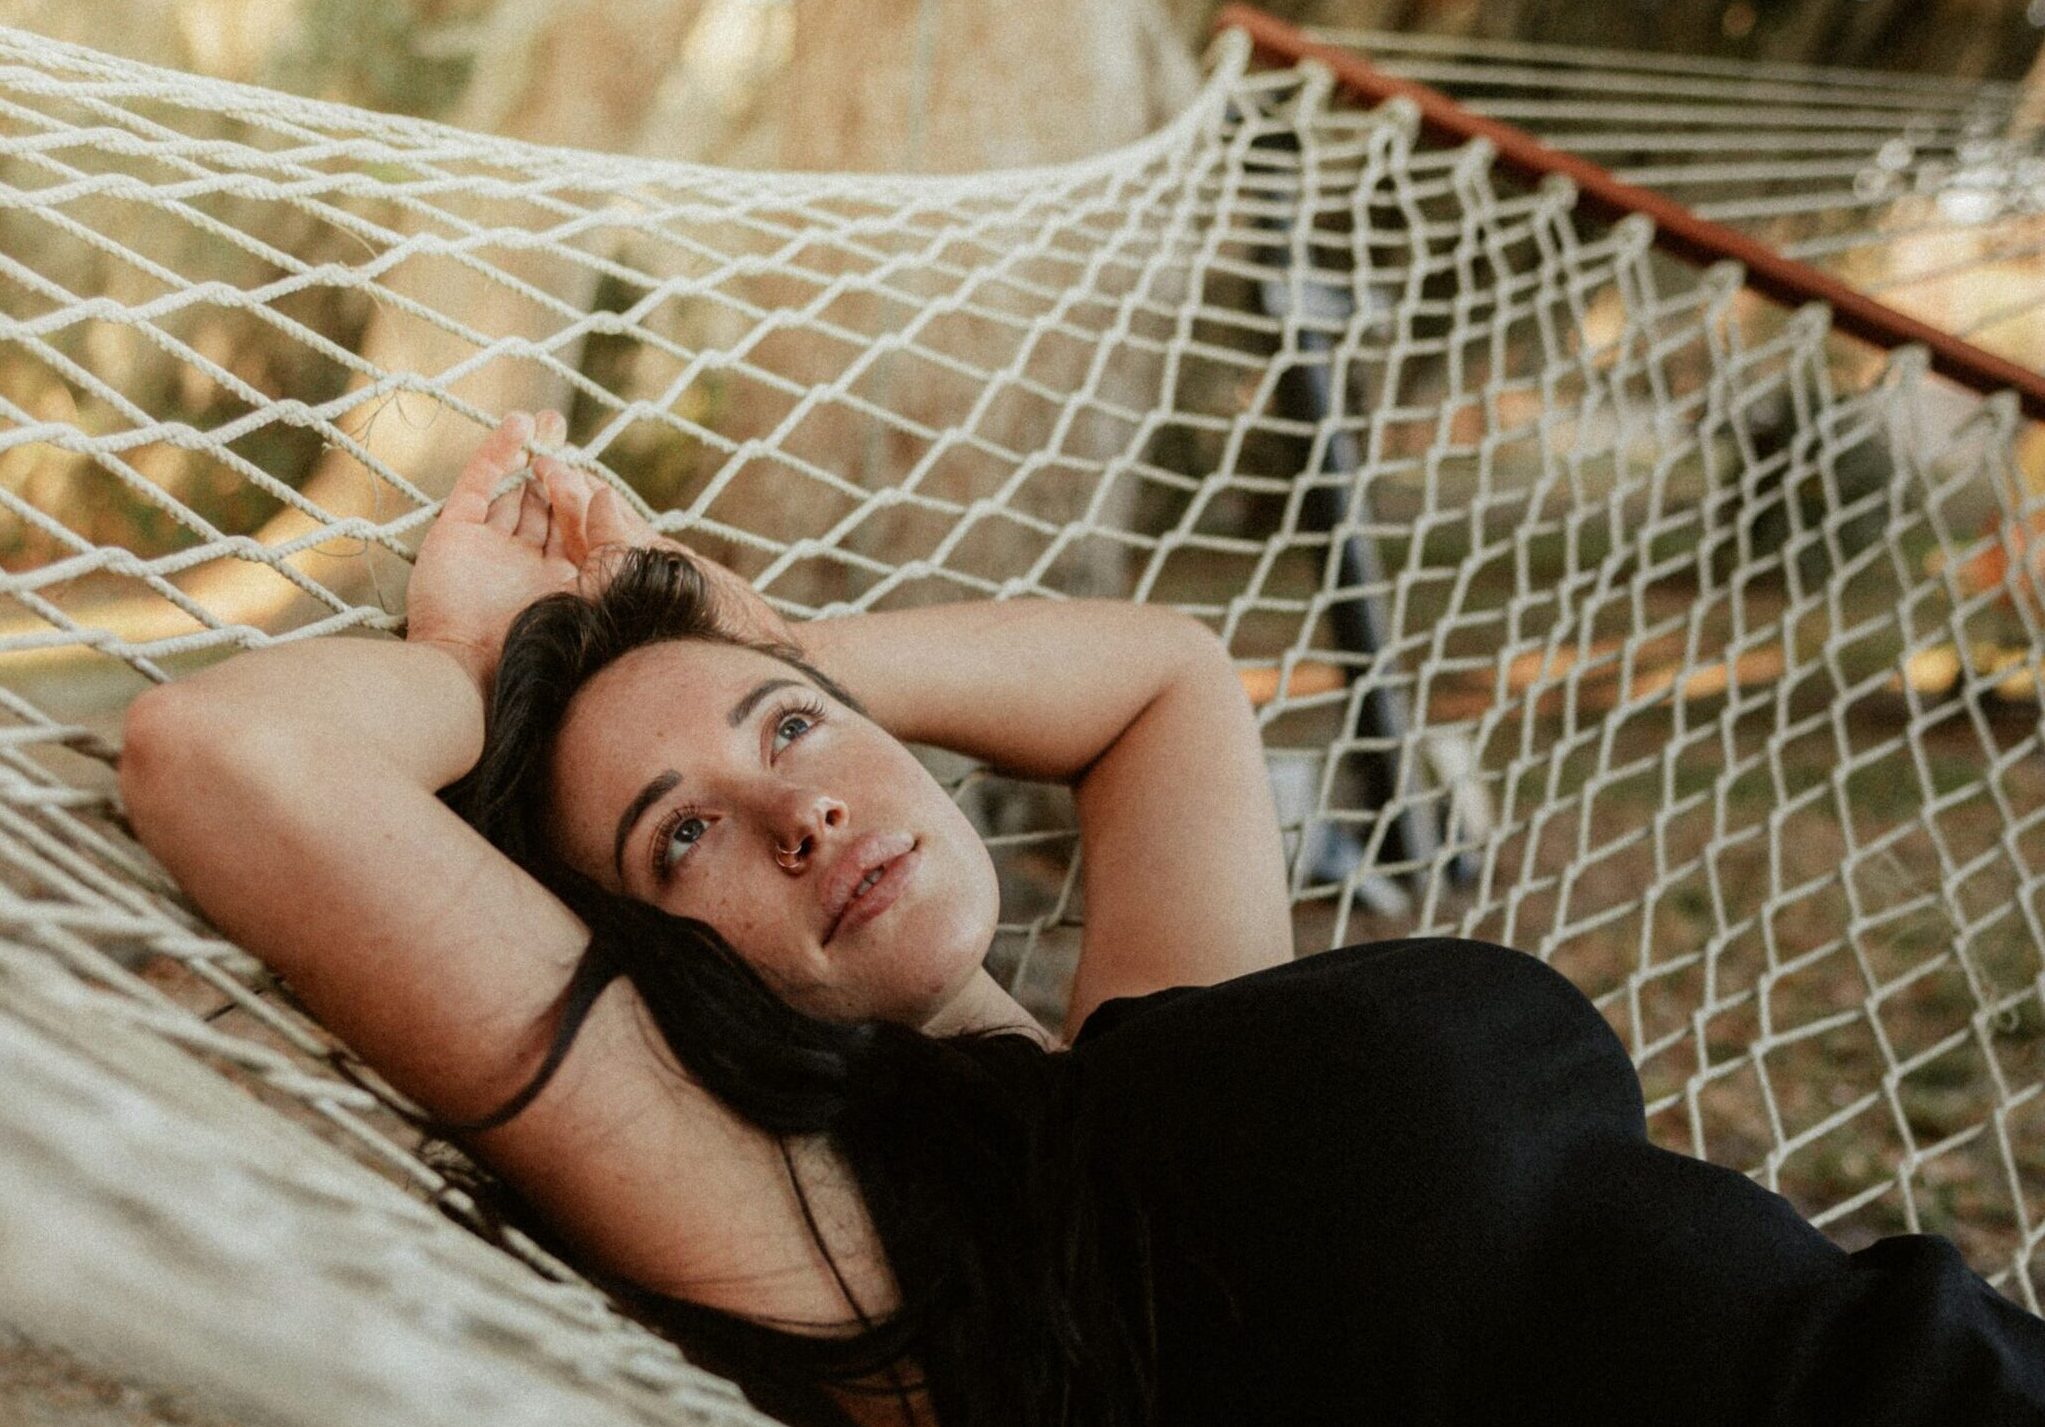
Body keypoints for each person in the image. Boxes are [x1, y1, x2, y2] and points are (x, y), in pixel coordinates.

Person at [120, 413, 2045, 1427]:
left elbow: (1162, 678)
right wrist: (490, 662)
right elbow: (231, 757)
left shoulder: (1154, 1059)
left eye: (794, 738)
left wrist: (756, 642)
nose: (802, 807)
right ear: (647, 970)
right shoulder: (838, 1252)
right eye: (681, 833)